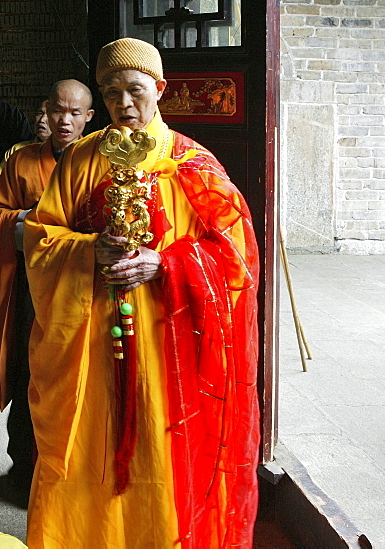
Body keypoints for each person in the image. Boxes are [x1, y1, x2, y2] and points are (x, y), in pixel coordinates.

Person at [23, 39, 260, 546]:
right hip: (88, 341)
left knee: (159, 454)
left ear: (160, 89)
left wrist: (166, 263)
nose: (124, 104)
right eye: (111, 94)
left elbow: (236, 259)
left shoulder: (191, 164)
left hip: (167, 346)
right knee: (88, 455)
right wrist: (88, 251)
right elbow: (41, 238)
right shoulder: (82, 159)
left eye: (135, 90)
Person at [0, 79, 93, 491]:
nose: (64, 121)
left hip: (82, 287)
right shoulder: (22, 161)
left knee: (76, 378)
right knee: (32, 374)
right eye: (57, 111)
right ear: (45, 111)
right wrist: (33, 222)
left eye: (73, 113)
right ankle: (25, 469)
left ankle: (74, 476)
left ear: (88, 117)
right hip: (33, 286)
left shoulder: (99, 159)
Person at [0, 99, 51, 175]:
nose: (42, 119)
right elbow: (0, 182)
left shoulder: (67, 153)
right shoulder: (16, 150)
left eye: (49, 115)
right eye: (39, 113)